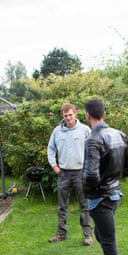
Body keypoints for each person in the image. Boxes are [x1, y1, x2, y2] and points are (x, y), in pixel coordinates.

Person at [82, 99, 128, 255]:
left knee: (108, 243)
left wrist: (86, 188)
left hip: (102, 198)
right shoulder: (119, 134)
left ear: (87, 115)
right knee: (100, 235)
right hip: (114, 196)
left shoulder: (93, 139)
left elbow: (91, 176)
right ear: (104, 113)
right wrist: (113, 178)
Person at [47, 103, 93, 246]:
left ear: (75, 114)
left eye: (70, 115)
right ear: (63, 116)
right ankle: (61, 234)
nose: (68, 118)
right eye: (65, 115)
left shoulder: (85, 130)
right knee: (62, 206)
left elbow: (93, 150)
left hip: (80, 173)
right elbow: (50, 149)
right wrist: (54, 165)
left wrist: (89, 168)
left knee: (84, 204)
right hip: (64, 174)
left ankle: (87, 235)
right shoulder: (57, 131)